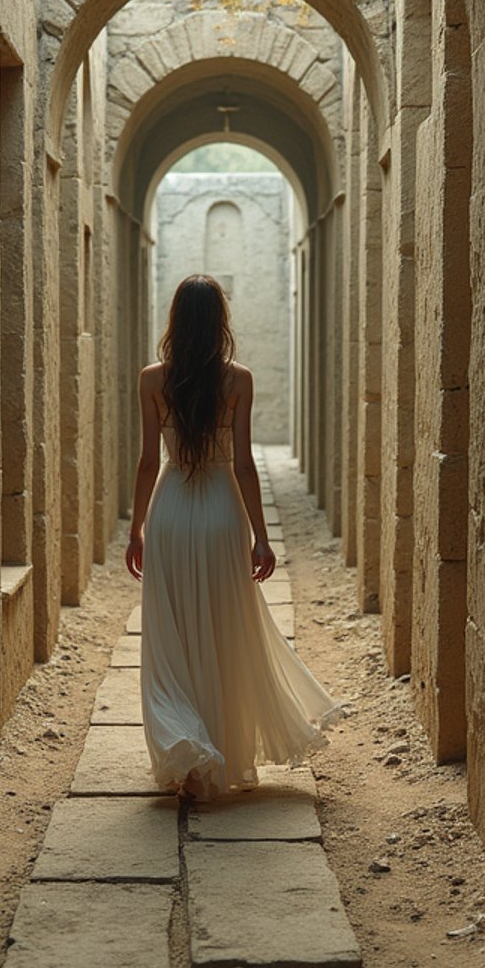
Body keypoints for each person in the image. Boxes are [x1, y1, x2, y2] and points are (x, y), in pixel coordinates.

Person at [125, 273, 341, 798]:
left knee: (171, 635)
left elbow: (149, 460)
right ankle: (210, 749)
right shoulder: (238, 379)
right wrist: (261, 537)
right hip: (223, 511)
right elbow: (243, 463)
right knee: (222, 628)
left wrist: (135, 530)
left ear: (175, 320)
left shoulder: (153, 379)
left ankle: (188, 750)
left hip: (172, 510)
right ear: (220, 321)